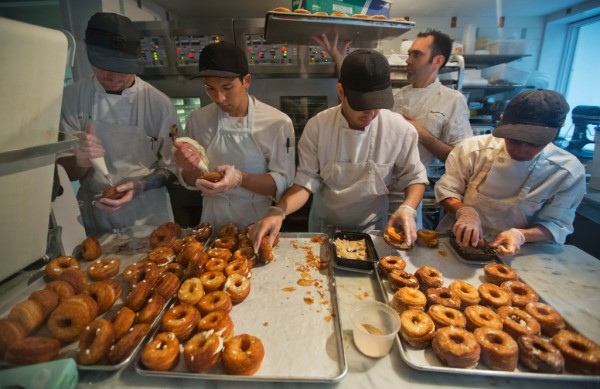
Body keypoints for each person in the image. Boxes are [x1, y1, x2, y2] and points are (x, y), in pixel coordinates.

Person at [250, 49, 428, 248]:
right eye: (362, 104)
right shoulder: (318, 127)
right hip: (324, 230)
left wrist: (408, 208)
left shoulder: (400, 130)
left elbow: (414, 178)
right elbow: (305, 182)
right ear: (341, 92)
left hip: (373, 232)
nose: (370, 113)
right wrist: (279, 210)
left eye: (377, 104)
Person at [313, 30, 472, 227]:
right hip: (376, 192)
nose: (408, 60)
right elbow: (358, 98)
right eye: (409, 54)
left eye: (416, 54)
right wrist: (341, 61)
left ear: (438, 60)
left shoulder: (452, 100)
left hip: (409, 194)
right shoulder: (397, 96)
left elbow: (462, 161)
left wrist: (423, 136)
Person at [58, 12, 181, 234]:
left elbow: (173, 167)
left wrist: (142, 184)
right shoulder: (70, 100)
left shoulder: (158, 104)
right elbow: (64, 174)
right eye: (106, 67)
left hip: (147, 216)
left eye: (124, 68)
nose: (115, 77)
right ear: (86, 49)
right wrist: (81, 160)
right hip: (94, 217)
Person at [435, 89, 586, 256]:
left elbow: (556, 224)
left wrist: (521, 235)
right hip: (455, 241)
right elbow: (448, 190)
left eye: (534, 144)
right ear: (502, 121)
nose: (521, 151)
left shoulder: (567, 172)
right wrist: (466, 212)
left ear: (559, 129)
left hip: (521, 252)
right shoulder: (473, 150)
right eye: (513, 140)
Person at [173, 41, 295, 228]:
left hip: (258, 224)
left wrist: (239, 179)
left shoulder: (277, 122)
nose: (219, 98)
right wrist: (189, 166)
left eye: (227, 88)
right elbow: (191, 181)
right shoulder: (198, 119)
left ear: (246, 81)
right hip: (211, 222)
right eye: (210, 89)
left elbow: (282, 184)